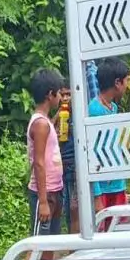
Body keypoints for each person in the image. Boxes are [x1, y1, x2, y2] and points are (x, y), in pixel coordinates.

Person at [27, 68, 64, 255]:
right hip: (45, 193)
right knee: (37, 246)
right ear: (50, 94)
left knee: (50, 244)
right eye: (59, 93)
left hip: (55, 190)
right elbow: (39, 163)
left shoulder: (45, 121)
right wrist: (42, 202)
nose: (61, 97)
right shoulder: (40, 124)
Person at [89, 57, 130, 230]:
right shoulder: (94, 110)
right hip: (103, 187)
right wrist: (97, 194)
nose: (127, 86)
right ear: (117, 83)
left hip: (117, 184)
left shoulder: (113, 107)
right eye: (126, 81)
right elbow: (91, 153)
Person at [54, 81, 79, 233]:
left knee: (75, 207)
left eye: (68, 94)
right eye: (62, 95)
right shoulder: (60, 115)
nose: (65, 98)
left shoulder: (77, 114)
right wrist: (59, 113)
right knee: (67, 207)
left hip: (75, 164)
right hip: (63, 163)